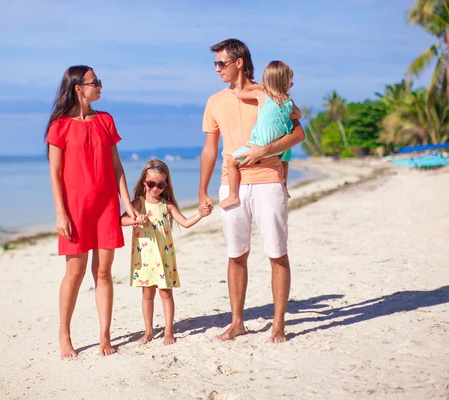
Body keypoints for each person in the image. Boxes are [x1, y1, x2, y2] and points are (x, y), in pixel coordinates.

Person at [200, 39, 305, 343]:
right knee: (236, 255)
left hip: (269, 179)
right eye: (216, 64)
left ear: (239, 62)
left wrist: (267, 149)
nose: (217, 69)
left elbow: (299, 132)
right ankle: (237, 323)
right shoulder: (214, 101)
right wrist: (202, 190)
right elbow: (209, 150)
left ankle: (278, 325)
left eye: (222, 63)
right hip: (230, 182)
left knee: (277, 253)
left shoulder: (270, 92)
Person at [45, 65, 140, 358]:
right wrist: (61, 214)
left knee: (103, 272)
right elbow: (56, 174)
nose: (100, 85)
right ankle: (64, 335)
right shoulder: (59, 126)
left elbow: (116, 166)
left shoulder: (106, 120)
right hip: (75, 209)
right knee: (74, 274)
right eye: (95, 82)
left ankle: (104, 336)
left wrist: (127, 203)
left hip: (105, 207)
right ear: (78, 88)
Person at [121, 160, 209, 345]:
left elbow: (184, 222)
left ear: (165, 185)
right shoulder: (138, 203)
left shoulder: (167, 205)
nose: (155, 188)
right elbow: (121, 221)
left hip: (164, 257)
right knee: (147, 294)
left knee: (166, 293)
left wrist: (201, 213)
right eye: (151, 184)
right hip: (144, 257)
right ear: (144, 182)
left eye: (160, 185)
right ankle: (149, 331)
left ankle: (169, 330)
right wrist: (137, 218)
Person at [219, 60, 302, 210]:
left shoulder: (261, 94)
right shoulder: (289, 101)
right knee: (284, 161)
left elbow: (240, 94)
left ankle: (232, 195)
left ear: (267, 81)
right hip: (277, 147)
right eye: (290, 81)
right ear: (285, 82)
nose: (292, 84)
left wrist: (260, 86)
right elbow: (299, 115)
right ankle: (284, 187)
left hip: (259, 144)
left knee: (231, 161)